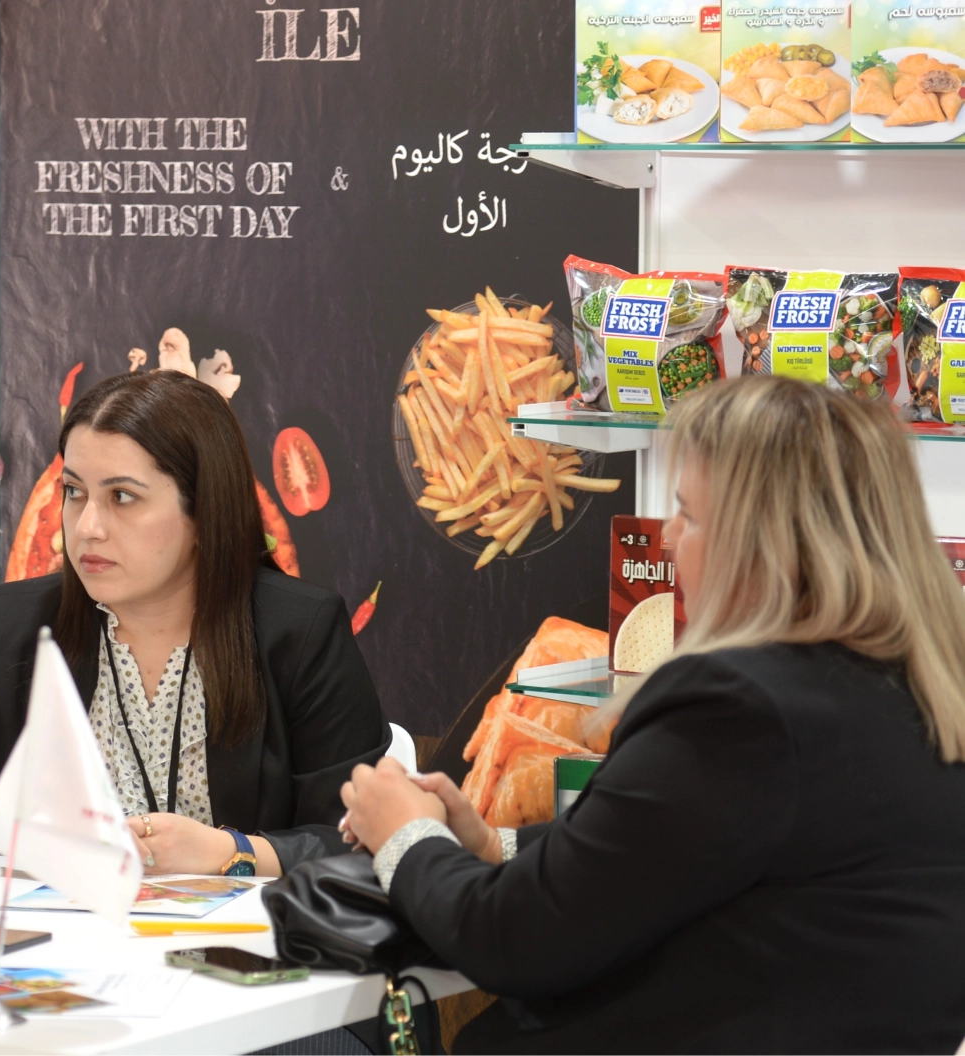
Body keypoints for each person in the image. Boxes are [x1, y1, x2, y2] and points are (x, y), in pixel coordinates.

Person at [340, 375, 965, 1055]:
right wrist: (495, 847)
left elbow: (518, 940)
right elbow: (667, 857)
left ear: (762, 545)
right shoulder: (920, 694)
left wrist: (404, 836)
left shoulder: (741, 706)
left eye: (688, 515)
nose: (667, 539)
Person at [0, 370, 390, 878]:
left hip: (247, 931)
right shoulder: (14, 625)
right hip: (62, 925)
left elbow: (368, 841)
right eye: (74, 491)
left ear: (204, 511)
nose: (87, 527)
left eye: (122, 497)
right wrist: (14, 819)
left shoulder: (300, 632)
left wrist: (231, 852)